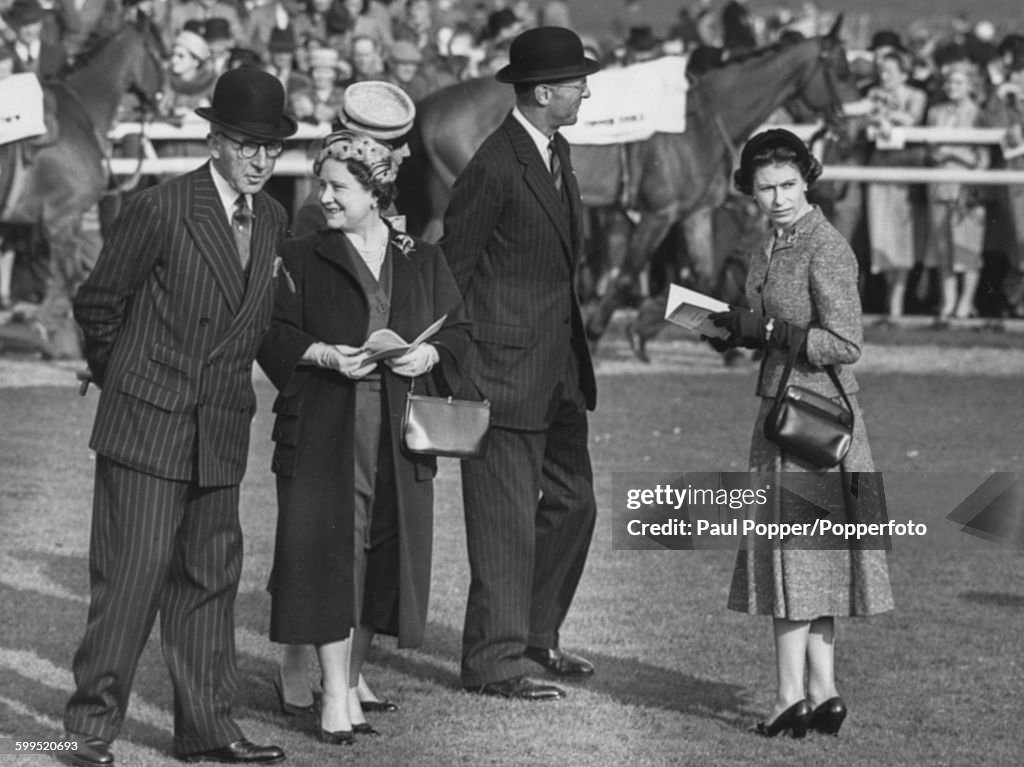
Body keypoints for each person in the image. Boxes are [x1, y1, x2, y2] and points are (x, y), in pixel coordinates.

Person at [63, 68, 298, 767]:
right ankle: (85, 732)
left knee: (209, 584)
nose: (261, 159)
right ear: (216, 139)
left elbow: (255, 323)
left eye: (272, 148)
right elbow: (98, 305)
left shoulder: (275, 218)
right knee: (129, 582)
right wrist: (133, 382)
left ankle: (208, 730)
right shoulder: (162, 206)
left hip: (221, 429)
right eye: (249, 145)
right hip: (147, 426)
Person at [256, 122, 471, 744]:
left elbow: (458, 331)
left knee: (382, 559)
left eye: (338, 187)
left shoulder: (422, 259)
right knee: (329, 556)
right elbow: (270, 331)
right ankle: (330, 701)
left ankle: (348, 684)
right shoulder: (301, 256)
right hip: (326, 427)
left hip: (400, 434)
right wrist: (321, 354)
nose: (323, 197)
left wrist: (427, 358)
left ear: (374, 191)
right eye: (322, 184)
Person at [707, 129, 894, 738]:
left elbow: (846, 343)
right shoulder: (774, 242)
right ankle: (824, 691)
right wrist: (736, 331)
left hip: (815, 422)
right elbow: (768, 325)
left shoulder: (825, 246)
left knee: (792, 562)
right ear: (750, 190)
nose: (779, 197)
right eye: (766, 188)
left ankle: (791, 696)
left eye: (788, 185)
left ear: (807, 179)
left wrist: (773, 334)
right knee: (811, 564)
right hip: (787, 411)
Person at [440, 26, 600, 701]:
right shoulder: (494, 165)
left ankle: (535, 633)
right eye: (575, 83)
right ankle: (493, 661)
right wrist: (464, 370)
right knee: (504, 524)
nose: (585, 90)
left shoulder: (554, 151)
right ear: (542, 92)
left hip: (557, 369)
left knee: (576, 502)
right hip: (502, 376)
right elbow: (452, 269)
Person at [923, 60, 989, 323]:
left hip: (966, 188)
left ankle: (966, 302)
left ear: (970, 86)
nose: (952, 87)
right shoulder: (936, 112)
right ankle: (948, 301)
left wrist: (952, 153)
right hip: (939, 185)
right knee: (943, 247)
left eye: (959, 82)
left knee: (968, 247)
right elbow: (929, 147)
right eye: (949, 82)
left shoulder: (978, 113)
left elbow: (981, 158)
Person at [864, 48, 927, 324]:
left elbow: (911, 119)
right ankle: (891, 296)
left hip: (904, 171)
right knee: (881, 234)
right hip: (879, 170)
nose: (883, 76)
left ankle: (897, 300)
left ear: (904, 73)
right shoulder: (872, 94)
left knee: (902, 236)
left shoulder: (916, 95)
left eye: (889, 71)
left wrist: (886, 111)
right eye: (881, 71)